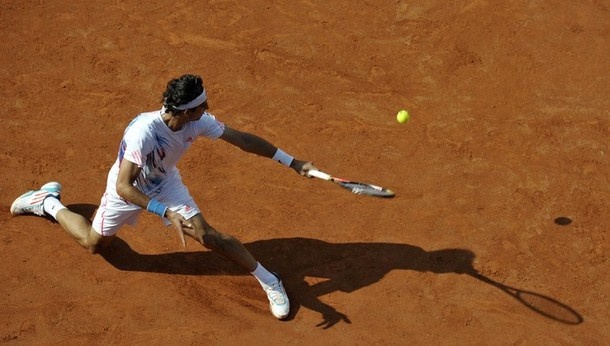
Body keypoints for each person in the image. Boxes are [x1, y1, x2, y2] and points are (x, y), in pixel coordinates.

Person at [10, 73, 317, 320]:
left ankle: (269, 280)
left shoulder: (197, 122)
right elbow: (123, 187)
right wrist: (163, 211)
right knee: (94, 244)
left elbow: (242, 140)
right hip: (128, 189)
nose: (207, 110)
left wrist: (292, 162)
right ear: (185, 111)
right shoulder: (143, 132)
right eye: (202, 106)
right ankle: (47, 201)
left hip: (165, 183)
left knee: (207, 235)